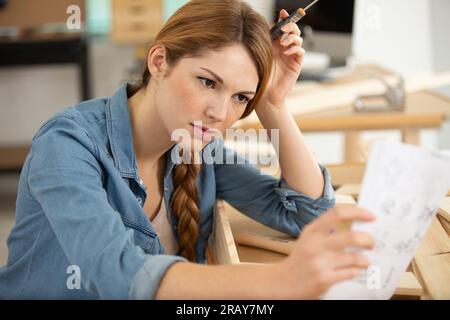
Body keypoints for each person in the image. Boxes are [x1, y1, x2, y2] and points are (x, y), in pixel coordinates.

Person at [0, 0, 375, 299]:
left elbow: (305, 214)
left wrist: (273, 105)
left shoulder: (198, 147)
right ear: (159, 61)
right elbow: (117, 273)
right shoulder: (67, 143)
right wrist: (279, 282)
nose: (220, 113)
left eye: (241, 97)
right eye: (207, 82)